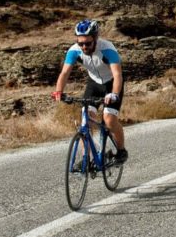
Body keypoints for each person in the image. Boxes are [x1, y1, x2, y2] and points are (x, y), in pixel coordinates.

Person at [51, 19, 128, 163]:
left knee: (109, 120)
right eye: (81, 43)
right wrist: (58, 91)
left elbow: (118, 75)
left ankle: (121, 150)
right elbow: (65, 73)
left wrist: (114, 94)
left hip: (112, 84)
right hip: (94, 84)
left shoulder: (107, 49)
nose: (84, 47)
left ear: (96, 38)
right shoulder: (74, 50)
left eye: (88, 43)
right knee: (86, 120)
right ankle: (88, 158)